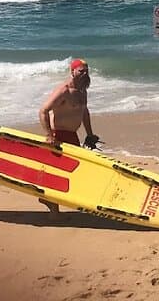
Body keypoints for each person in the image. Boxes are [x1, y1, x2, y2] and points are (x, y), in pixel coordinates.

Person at [38, 58, 99, 217]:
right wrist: (49, 135)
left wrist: (90, 134)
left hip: (72, 136)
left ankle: (50, 201)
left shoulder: (82, 90)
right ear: (72, 72)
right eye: (81, 71)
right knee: (58, 173)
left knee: (75, 170)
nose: (85, 74)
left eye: (87, 71)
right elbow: (43, 111)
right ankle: (52, 206)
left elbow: (84, 112)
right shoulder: (64, 90)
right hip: (58, 135)